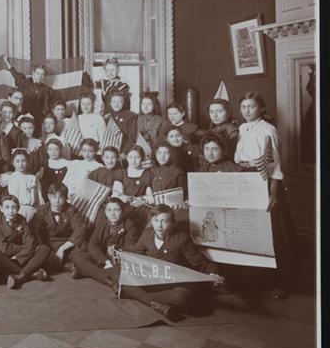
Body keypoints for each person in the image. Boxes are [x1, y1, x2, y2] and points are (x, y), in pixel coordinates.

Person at [233, 91, 294, 299]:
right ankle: (257, 280)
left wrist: (273, 194)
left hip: (266, 183)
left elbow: (276, 166)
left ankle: (281, 282)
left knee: (273, 235)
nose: (247, 111)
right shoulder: (242, 128)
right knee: (251, 231)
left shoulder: (269, 129)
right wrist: (246, 163)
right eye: (243, 107)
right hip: (245, 181)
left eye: (251, 106)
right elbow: (238, 159)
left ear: (261, 108)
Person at [125, 204, 226, 318]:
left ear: (172, 223)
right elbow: (134, 253)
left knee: (181, 297)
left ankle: (142, 298)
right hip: (154, 281)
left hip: (175, 283)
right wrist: (121, 254)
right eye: (156, 221)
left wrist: (213, 274)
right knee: (122, 278)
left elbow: (201, 262)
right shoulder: (147, 234)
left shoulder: (182, 238)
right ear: (151, 221)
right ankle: (160, 304)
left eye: (164, 221)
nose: (159, 225)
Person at [71, 198, 140, 286]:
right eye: (109, 210)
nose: (112, 214)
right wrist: (105, 261)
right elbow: (93, 244)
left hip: (118, 261)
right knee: (78, 256)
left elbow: (129, 252)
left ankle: (87, 272)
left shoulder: (130, 226)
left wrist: (114, 258)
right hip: (104, 257)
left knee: (121, 271)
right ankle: (105, 278)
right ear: (105, 212)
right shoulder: (103, 223)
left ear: (123, 211)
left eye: (116, 210)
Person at [0, 195, 51, 289]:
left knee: (44, 249)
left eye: (14, 207)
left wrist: (19, 256)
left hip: (23, 256)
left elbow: (30, 242)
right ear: (1, 209)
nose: (11, 211)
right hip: (8, 259)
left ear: (18, 209)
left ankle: (20, 277)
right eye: (7, 207)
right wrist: (21, 249)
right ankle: (29, 273)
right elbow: (4, 248)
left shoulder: (21, 219)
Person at [31, 182, 89, 275]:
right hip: (50, 245)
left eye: (61, 197)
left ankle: (61, 265)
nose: (57, 201)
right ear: (49, 196)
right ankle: (66, 265)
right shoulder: (42, 210)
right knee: (40, 255)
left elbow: (81, 229)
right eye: (54, 197)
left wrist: (63, 248)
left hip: (67, 244)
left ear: (66, 198)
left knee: (83, 254)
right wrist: (42, 247)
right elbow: (35, 231)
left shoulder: (71, 209)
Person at [4, 56, 53, 134]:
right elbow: (15, 74)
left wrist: (44, 121)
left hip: (36, 119)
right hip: (21, 115)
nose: (40, 76)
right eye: (38, 73)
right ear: (33, 73)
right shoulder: (25, 83)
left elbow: (46, 108)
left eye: (42, 74)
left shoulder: (46, 89)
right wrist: (6, 62)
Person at [117, 145, 153, 229]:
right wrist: (124, 198)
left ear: (142, 158)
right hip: (125, 207)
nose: (133, 160)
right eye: (130, 157)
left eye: (137, 157)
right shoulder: (121, 173)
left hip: (142, 207)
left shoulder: (148, 174)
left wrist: (142, 200)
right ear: (126, 158)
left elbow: (150, 196)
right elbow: (116, 194)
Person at [1, 149, 40, 222]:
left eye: (24, 161)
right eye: (17, 161)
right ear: (13, 163)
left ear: (28, 161)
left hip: (33, 211)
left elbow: (39, 198)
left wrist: (38, 211)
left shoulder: (33, 178)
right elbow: (13, 198)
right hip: (18, 211)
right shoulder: (12, 178)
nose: (21, 164)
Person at [106, 90, 138, 158]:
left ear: (124, 103)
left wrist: (124, 152)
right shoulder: (107, 117)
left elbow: (132, 138)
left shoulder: (131, 117)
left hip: (123, 152)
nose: (116, 104)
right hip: (108, 152)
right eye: (114, 102)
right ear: (110, 103)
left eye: (120, 102)